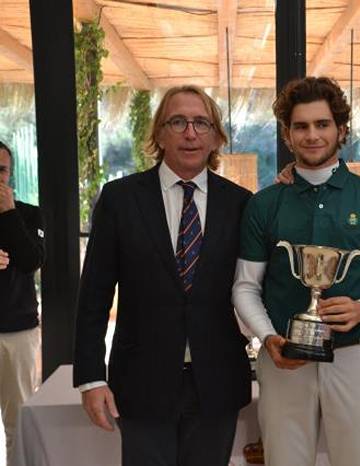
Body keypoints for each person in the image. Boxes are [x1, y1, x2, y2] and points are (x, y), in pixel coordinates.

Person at [232, 76, 360, 466]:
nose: (312, 135)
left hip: (357, 356)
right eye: (301, 126)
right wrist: (267, 338)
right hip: (283, 359)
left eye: (322, 124)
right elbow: (245, 287)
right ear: (287, 134)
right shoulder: (265, 204)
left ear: (342, 129)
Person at [73, 85, 252, 466]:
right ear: (158, 133)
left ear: (216, 136)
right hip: (140, 385)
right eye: (178, 122)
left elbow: (254, 285)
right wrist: (91, 378)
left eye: (201, 123)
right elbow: (93, 296)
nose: (190, 133)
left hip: (217, 383)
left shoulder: (241, 204)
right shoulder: (120, 199)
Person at [0, 141, 43, 465]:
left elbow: (31, 261)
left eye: (1, 170)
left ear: (10, 174)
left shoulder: (26, 214)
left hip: (17, 332)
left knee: (19, 422)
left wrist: (9, 213)